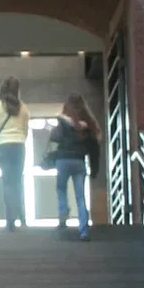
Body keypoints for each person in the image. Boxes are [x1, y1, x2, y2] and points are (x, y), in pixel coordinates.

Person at [0, 77, 30, 230]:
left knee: (7, 183)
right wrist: (19, 139)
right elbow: (25, 130)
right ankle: (22, 217)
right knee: (17, 182)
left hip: (3, 147)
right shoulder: (24, 108)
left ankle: (10, 219)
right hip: (19, 147)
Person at [51, 93, 100, 241]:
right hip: (79, 162)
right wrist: (94, 169)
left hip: (63, 160)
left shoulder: (62, 121)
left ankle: (63, 212)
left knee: (61, 188)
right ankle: (84, 231)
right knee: (80, 197)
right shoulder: (88, 125)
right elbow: (94, 149)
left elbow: (55, 138)